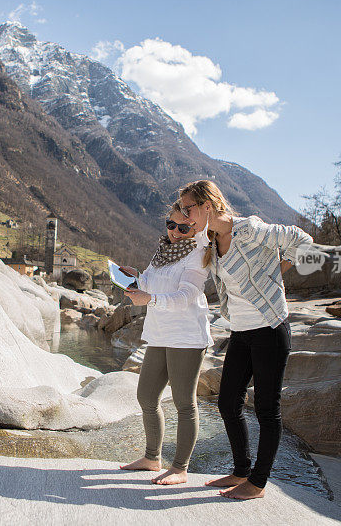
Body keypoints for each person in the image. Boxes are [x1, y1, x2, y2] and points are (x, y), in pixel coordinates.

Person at [178, 180, 313, 500]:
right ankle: (240, 471)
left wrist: (278, 271)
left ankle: (258, 482)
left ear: (207, 207)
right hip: (240, 332)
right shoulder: (211, 241)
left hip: (269, 328)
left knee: (267, 408)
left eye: (188, 208)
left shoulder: (250, 229)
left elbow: (302, 239)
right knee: (228, 402)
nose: (184, 215)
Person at [118, 201, 213, 485]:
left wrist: (151, 299)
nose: (174, 232)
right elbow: (150, 281)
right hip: (160, 332)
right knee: (146, 396)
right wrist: (136, 276)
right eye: (170, 225)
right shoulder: (163, 251)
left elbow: (186, 296)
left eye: (183, 228)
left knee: (184, 403)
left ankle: (180, 468)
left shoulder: (198, 254)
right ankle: (152, 458)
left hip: (186, 335)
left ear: (195, 229)